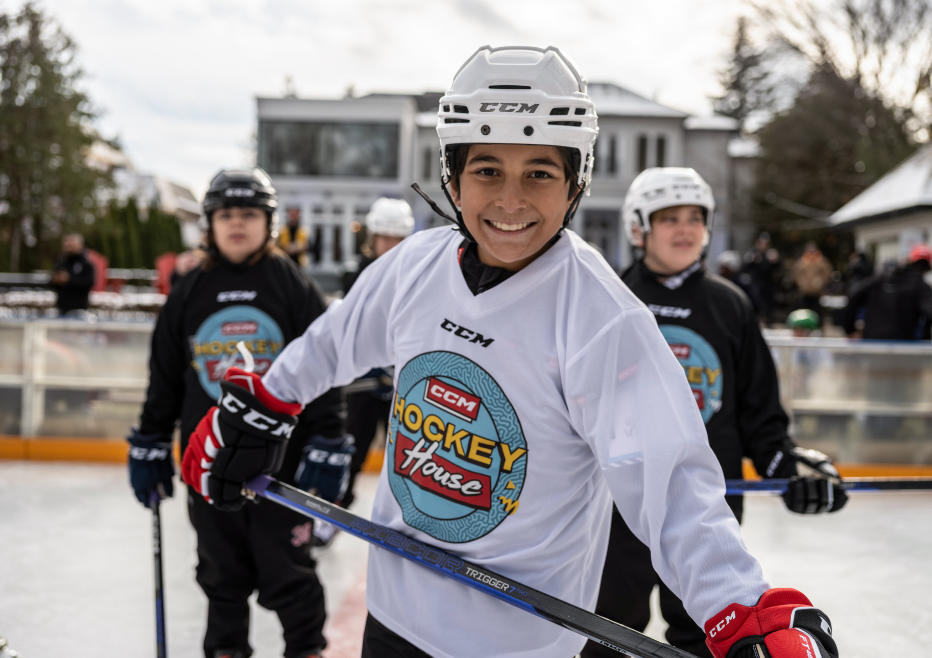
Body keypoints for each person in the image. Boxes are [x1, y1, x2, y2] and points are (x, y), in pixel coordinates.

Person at [182, 47, 841, 658]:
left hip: (519, 637)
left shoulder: (601, 317)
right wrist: (268, 402)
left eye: (540, 173)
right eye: (487, 169)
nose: (511, 200)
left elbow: (669, 481)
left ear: (574, 183)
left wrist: (739, 604)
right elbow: (335, 340)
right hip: (398, 608)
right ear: (454, 178)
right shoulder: (415, 266)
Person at [582, 168, 846, 658]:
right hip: (619, 505)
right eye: (669, 218)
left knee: (709, 636)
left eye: (695, 218)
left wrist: (788, 470)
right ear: (638, 228)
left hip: (704, 508)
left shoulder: (730, 305)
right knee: (607, 634)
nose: (685, 229)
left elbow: (759, 412)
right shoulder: (608, 299)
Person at [126, 168, 348, 658]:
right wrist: (150, 438)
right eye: (226, 214)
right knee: (220, 574)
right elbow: (165, 376)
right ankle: (226, 651)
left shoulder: (291, 285)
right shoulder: (189, 290)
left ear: (268, 222)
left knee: (288, 572)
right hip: (206, 464)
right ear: (210, 223)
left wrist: (330, 438)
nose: (237, 224)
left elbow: (325, 364)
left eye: (249, 214)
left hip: (279, 468)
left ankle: (306, 648)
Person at [340, 197, 414, 514]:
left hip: (400, 380)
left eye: (396, 238)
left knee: (408, 454)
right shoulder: (356, 274)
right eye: (384, 237)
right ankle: (339, 504)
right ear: (372, 237)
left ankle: (409, 516)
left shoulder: (418, 274)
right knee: (354, 445)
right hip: (366, 378)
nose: (390, 244)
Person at [842, 243, 932, 340]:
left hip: (872, 341)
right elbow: (929, 311)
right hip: (904, 344)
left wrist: (850, 330)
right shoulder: (920, 286)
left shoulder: (879, 279)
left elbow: (853, 298)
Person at [50, 232, 96, 317]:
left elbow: (89, 282)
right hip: (62, 310)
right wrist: (55, 280)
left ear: (79, 245)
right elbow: (52, 284)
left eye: (71, 245)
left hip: (79, 310)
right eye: (67, 246)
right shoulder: (61, 263)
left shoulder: (86, 264)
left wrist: (69, 280)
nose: (68, 248)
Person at [742, 232, 780, 323]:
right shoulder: (753, 253)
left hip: (768, 284)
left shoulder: (771, 254)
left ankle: (767, 320)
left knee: (768, 303)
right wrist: (752, 260)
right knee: (755, 302)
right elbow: (745, 267)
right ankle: (755, 319)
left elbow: (776, 268)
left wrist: (775, 261)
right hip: (755, 284)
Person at [791, 242, 833, 314]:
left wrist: (821, 281)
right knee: (805, 307)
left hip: (817, 291)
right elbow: (796, 273)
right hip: (805, 290)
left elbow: (828, 272)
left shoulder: (822, 261)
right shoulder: (801, 262)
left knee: (817, 308)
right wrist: (800, 281)